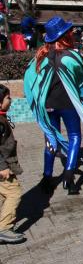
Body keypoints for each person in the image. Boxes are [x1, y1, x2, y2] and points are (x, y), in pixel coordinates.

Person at [24, 17, 83, 195]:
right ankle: (69, 177)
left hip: (47, 104)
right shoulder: (72, 57)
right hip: (68, 103)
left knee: (50, 137)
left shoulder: (40, 56)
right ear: (65, 36)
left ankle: (47, 176)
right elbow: (82, 79)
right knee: (75, 136)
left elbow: (30, 79)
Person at [0, 85, 25, 244]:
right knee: (14, 193)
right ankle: (4, 228)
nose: (11, 100)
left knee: (3, 194)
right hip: (3, 166)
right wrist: (2, 167)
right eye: (8, 98)